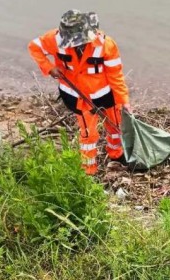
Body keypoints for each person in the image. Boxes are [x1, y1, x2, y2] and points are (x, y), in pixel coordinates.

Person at [27, 10, 131, 174]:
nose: (76, 45)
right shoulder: (54, 39)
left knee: (116, 126)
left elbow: (115, 75)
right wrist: (49, 68)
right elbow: (34, 47)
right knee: (88, 135)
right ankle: (89, 170)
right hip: (78, 97)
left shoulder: (106, 45)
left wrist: (124, 101)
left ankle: (116, 155)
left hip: (106, 95)